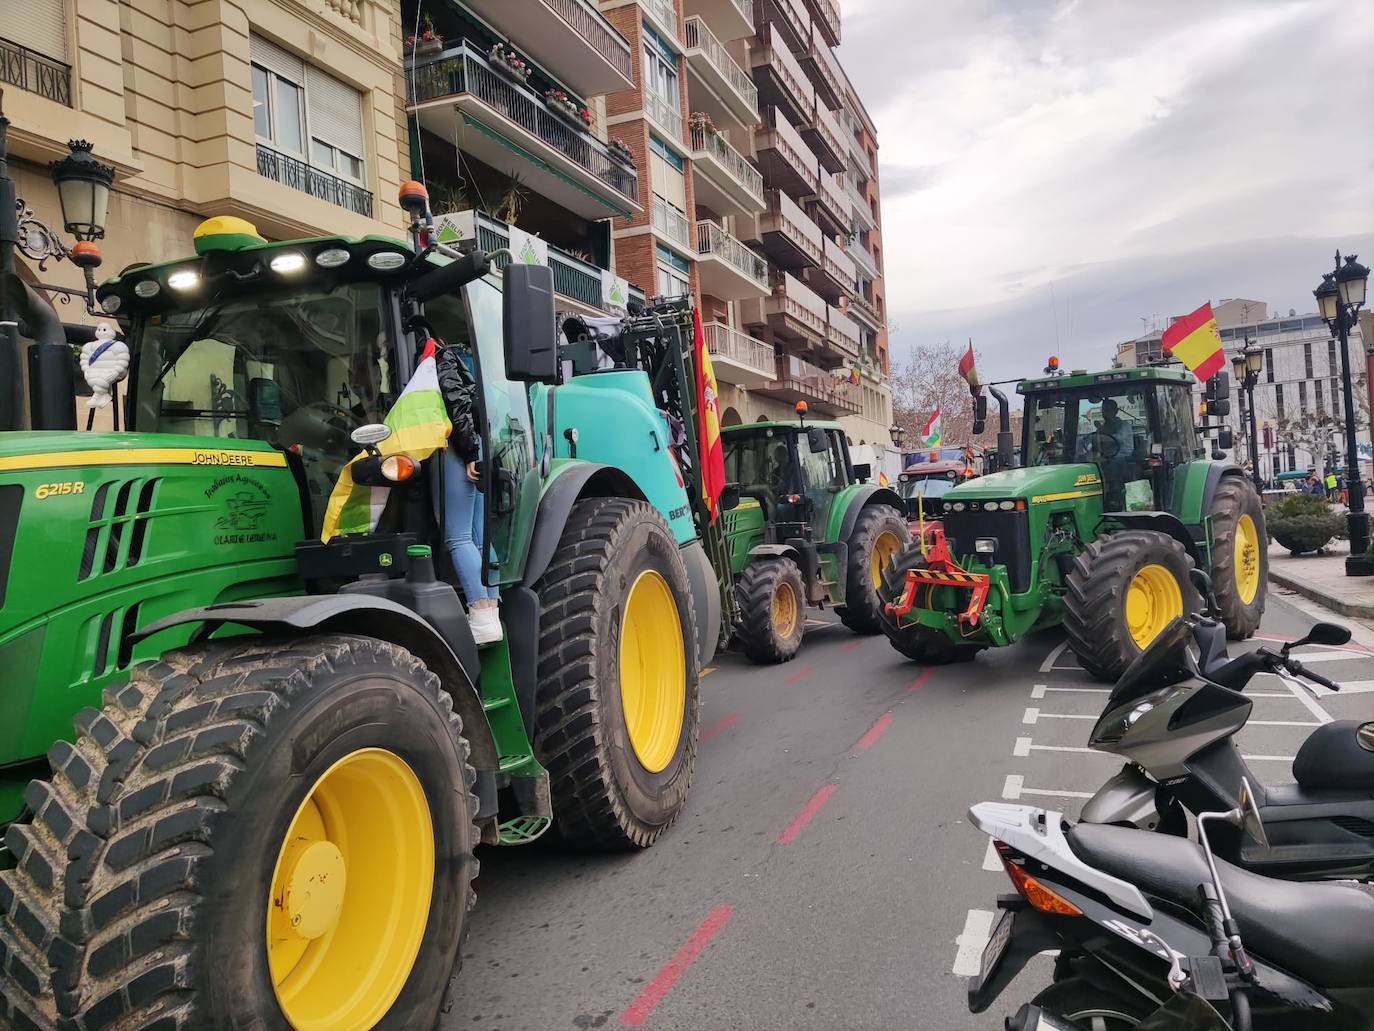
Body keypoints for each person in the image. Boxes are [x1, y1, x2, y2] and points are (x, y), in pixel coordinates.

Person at [436, 339, 502, 645]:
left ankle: (479, 612)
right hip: (478, 441)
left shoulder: (442, 356)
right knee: (479, 537)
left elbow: (455, 403)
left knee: (458, 536)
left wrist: (467, 451)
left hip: (460, 446)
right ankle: (490, 613)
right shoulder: (473, 360)